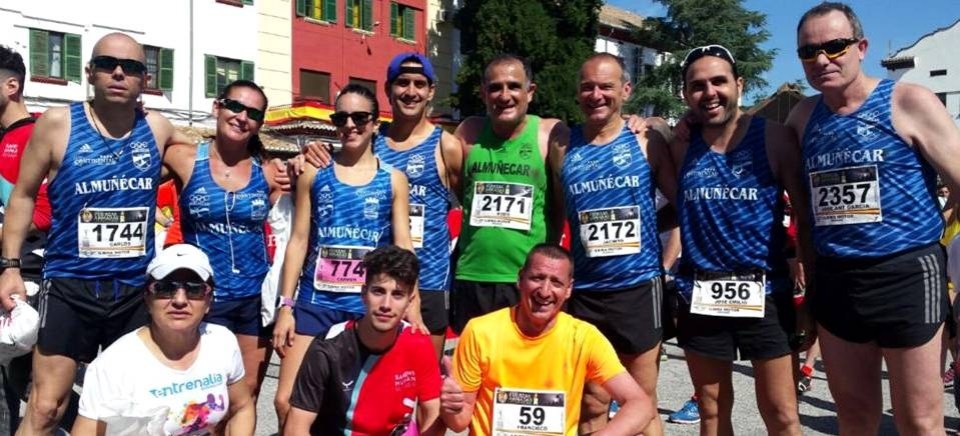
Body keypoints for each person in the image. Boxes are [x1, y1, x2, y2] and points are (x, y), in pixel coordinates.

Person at [0, 32, 195, 434]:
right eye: (108, 64)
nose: (119, 73)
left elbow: (215, 164)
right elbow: (21, 196)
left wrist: (285, 169)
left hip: (132, 292)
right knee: (46, 407)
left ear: (145, 79)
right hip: (71, 285)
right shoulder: (57, 124)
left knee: (130, 409)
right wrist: (10, 266)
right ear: (90, 72)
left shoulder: (158, 128)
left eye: (133, 68)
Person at [786, 3, 960, 434]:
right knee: (856, 420)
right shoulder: (802, 117)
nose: (822, 59)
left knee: (919, 423)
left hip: (906, 276)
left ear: (861, 47)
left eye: (834, 46)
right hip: (838, 280)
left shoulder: (907, 100)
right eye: (809, 51)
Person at [671, 44, 812, 435]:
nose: (709, 92)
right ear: (685, 95)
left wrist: (811, 293)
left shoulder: (775, 139)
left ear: (739, 83)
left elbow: (806, 217)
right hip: (700, 292)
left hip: (764, 292)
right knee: (712, 412)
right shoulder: (680, 144)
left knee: (782, 414)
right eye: (697, 86)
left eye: (719, 81)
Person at [272, 84, 417, 426]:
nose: (350, 125)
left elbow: (404, 246)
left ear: (375, 123)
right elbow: (299, 240)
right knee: (285, 402)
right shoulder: (313, 173)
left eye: (360, 117)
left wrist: (412, 306)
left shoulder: (393, 180)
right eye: (342, 117)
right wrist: (286, 307)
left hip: (364, 307)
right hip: (315, 301)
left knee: (354, 408)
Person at [554, 53, 676, 435]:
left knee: (641, 402)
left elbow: (683, 205)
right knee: (591, 401)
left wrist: (665, 254)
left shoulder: (646, 140)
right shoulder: (563, 145)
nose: (596, 94)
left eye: (605, 86)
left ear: (625, 90)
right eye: (587, 87)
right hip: (586, 293)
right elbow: (558, 218)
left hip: (637, 288)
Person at [440, 244, 654, 435]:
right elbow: (459, 423)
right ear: (520, 279)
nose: (544, 291)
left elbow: (640, 404)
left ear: (568, 289)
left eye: (556, 283)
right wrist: (451, 406)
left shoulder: (584, 337)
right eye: (537, 278)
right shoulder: (481, 331)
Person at [163, 79, 285, 407]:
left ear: (260, 123)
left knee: (246, 395)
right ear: (217, 107)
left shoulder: (268, 171)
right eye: (234, 106)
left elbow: (292, 226)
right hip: (203, 298)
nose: (242, 116)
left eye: (253, 113)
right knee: (204, 398)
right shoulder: (184, 158)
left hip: (254, 300)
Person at [72, 244, 254, 435]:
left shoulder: (222, 342)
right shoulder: (113, 365)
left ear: (209, 301)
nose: (180, 300)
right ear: (147, 299)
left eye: (194, 290)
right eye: (165, 288)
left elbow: (242, 407)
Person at [450, 55, 567, 334]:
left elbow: (561, 203)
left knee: (523, 371)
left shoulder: (549, 133)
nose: (504, 96)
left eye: (514, 86)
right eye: (495, 87)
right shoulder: (468, 132)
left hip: (526, 279)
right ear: (483, 93)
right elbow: (459, 190)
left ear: (530, 92)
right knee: (472, 371)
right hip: (472, 274)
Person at [284, 245, 442, 435]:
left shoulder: (418, 343)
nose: (386, 305)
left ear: (410, 301)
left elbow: (433, 413)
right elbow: (296, 427)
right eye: (378, 291)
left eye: (397, 295)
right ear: (363, 293)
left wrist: (451, 406)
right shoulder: (328, 347)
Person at [375, 53, 462, 359]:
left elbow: (468, 203)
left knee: (424, 388)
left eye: (419, 84)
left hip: (429, 281)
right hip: (377, 280)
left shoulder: (446, 145)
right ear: (388, 89)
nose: (410, 91)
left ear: (431, 91)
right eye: (402, 83)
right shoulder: (371, 143)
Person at [0, 44, 51, 435]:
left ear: (12, 85)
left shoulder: (36, 134)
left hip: (27, 274)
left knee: (35, 387)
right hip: (9, 269)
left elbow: (44, 213)